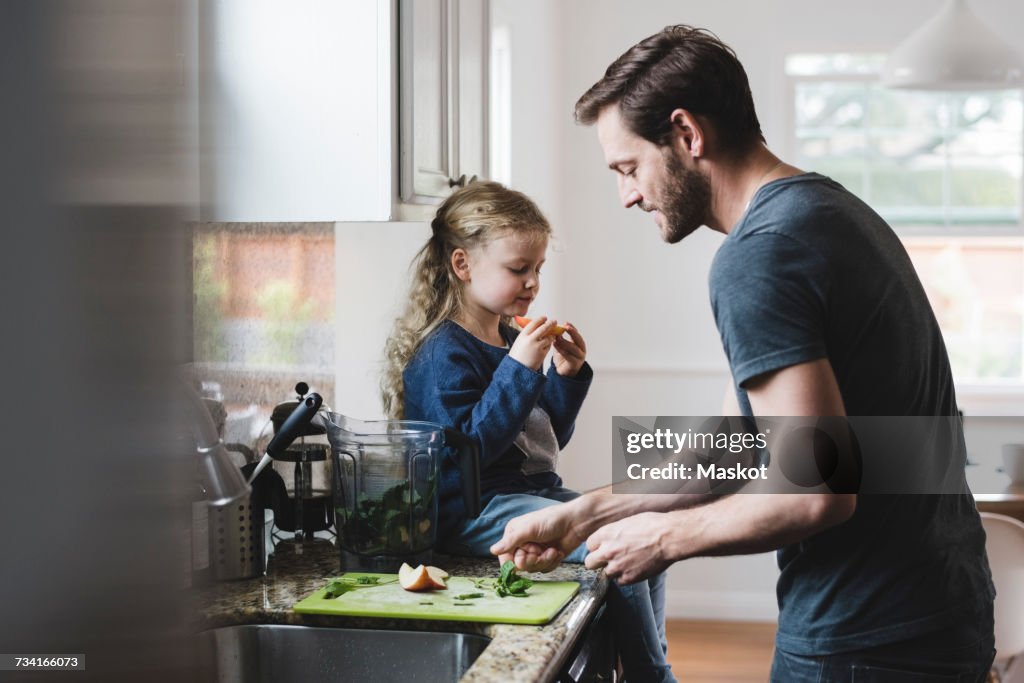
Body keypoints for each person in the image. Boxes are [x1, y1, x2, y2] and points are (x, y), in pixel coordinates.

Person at [490, 25, 997, 682]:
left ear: (686, 135)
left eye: (629, 167)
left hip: (866, 636)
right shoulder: (826, 210)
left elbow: (818, 490)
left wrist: (662, 538)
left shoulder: (757, 256)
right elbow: (733, 444)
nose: (628, 195)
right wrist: (586, 511)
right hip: (937, 606)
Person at [381, 180, 675, 682]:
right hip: (474, 510)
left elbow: (542, 439)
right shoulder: (442, 353)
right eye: (518, 269)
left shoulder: (510, 335)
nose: (532, 283)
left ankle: (649, 663)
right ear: (462, 265)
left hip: (528, 492)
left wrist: (565, 375)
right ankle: (653, 676)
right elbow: (467, 451)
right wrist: (519, 369)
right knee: (612, 541)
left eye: (538, 268)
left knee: (642, 526)